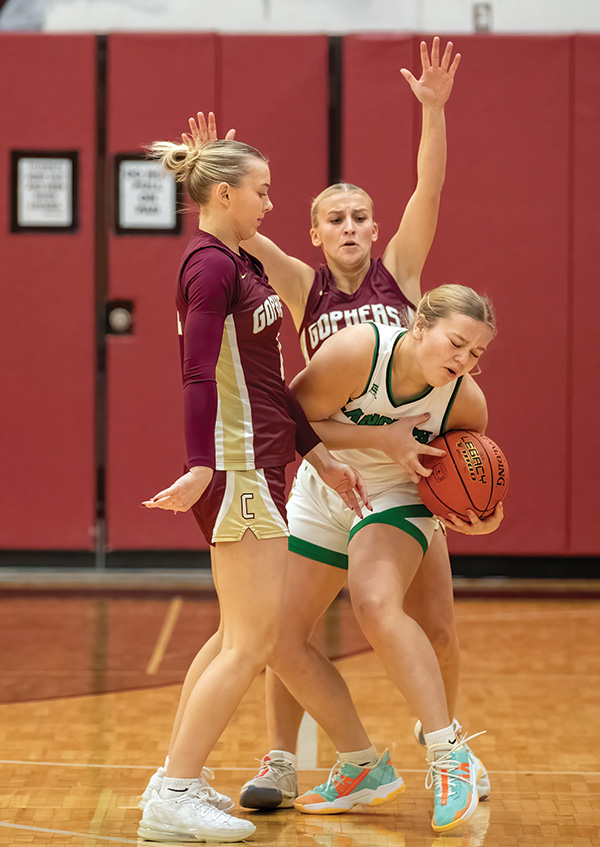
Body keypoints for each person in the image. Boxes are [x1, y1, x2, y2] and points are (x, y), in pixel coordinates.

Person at [136, 134, 369, 843]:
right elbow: (198, 371)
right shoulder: (209, 265)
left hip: (262, 460)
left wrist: (318, 455)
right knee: (252, 640)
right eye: (262, 190)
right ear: (225, 194)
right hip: (236, 466)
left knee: (237, 636)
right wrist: (201, 463)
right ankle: (173, 792)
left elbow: (267, 383)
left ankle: (172, 779)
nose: (270, 201)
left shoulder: (238, 262)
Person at [265, 284, 500, 832]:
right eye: (456, 344)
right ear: (420, 327)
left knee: (375, 603)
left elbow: (465, 475)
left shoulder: (464, 401)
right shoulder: (357, 352)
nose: (463, 361)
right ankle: (360, 764)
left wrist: (483, 512)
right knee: (274, 635)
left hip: (397, 496)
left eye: (476, 354)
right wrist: (384, 439)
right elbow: (291, 422)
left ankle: (449, 754)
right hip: (326, 484)